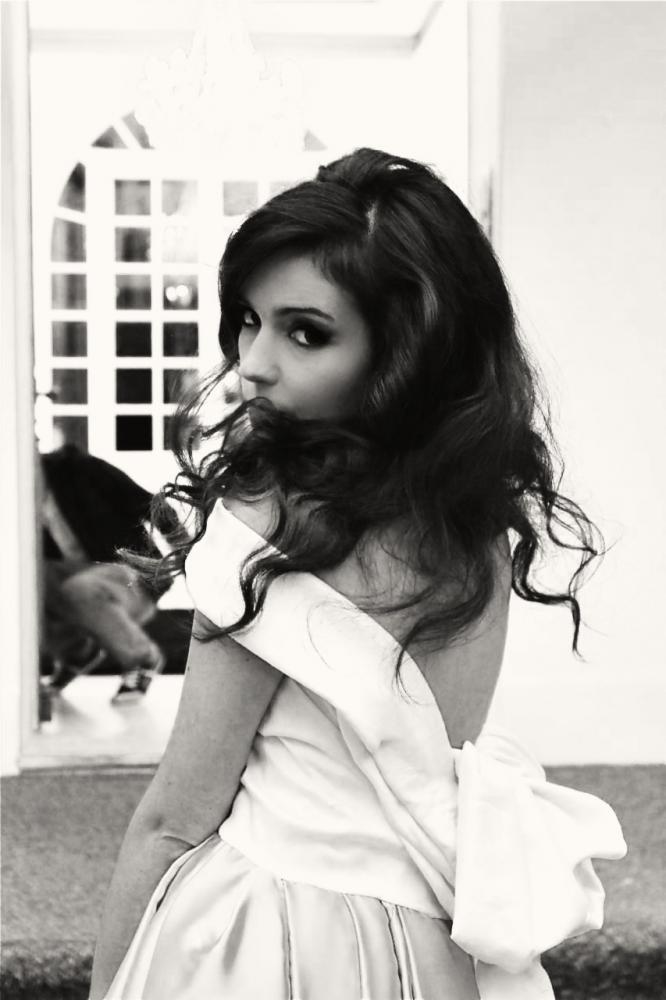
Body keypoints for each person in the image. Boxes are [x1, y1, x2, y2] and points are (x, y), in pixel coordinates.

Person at [89, 149, 626, 1000]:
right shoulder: (476, 531)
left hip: (260, 940)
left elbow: (171, 822)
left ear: (408, 350)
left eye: (307, 332)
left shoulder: (268, 523)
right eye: (250, 319)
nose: (254, 361)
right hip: (431, 947)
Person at [40, 443, 185, 701]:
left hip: (133, 576)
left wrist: (190, 560)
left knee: (79, 587)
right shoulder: (16, 501)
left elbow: (154, 506)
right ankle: (77, 653)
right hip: (79, 582)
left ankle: (142, 659)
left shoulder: (78, 468)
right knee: (27, 581)